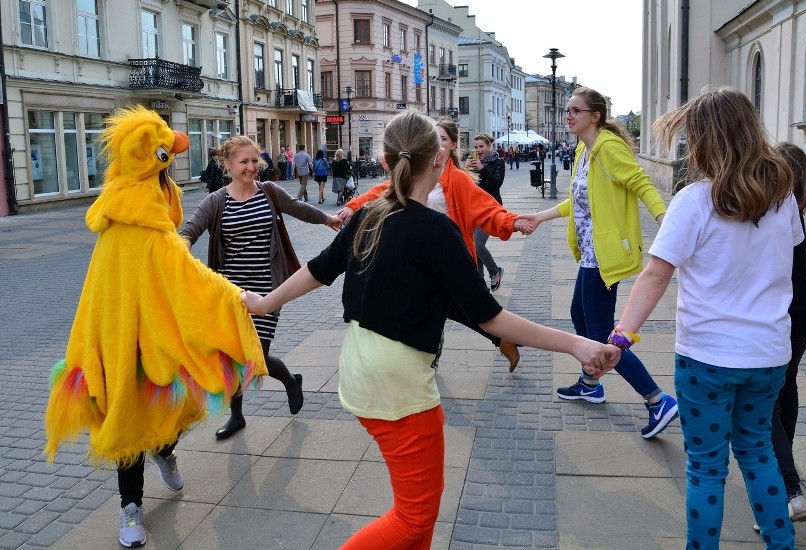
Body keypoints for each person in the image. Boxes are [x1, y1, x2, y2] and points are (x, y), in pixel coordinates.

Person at [242, 110, 619, 549]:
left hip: (361, 368)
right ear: (441, 162)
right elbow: (491, 317)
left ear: (384, 162)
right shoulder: (434, 229)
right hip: (397, 383)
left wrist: (266, 302)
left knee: (415, 520)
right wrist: (576, 344)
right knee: (413, 518)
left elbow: (318, 270)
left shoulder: (371, 214)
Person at [43, 106, 267, 548]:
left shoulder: (119, 215)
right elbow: (191, 276)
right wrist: (234, 297)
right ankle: (131, 509)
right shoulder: (145, 230)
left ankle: (163, 451)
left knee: (162, 410)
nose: (173, 183)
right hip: (124, 340)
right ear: (156, 171)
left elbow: (178, 274)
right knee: (129, 419)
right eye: (169, 168)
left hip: (154, 333)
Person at [603, 87, 801, 549]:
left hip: (707, 359)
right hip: (768, 354)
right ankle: (781, 544)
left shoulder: (694, 201)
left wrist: (621, 337)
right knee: (758, 454)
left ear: (705, 140)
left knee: (707, 468)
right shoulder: (783, 197)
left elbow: (655, 276)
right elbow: (784, 259)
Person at [519, 86, 677, 439]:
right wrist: (540, 217)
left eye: (576, 110)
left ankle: (657, 399)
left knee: (603, 338)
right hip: (590, 255)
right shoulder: (583, 150)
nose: (569, 115)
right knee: (579, 316)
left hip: (604, 255)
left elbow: (640, 182)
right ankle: (591, 384)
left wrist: (663, 217)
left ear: (595, 116)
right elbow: (577, 202)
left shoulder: (608, 148)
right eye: (568, 110)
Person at [180, 135, 342, 440]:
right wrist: (179, 248)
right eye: (244, 162)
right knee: (233, 355)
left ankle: (290, 381)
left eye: (255, 161)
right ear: (227, 165)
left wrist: (328, 219)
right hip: (231, 291)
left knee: (254, 356)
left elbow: (298, 208)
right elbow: (191, 229)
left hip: (268, 287)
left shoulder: (268, 191)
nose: (251, 167)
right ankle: (238, 417)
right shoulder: (217, 200)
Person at [338, 116, 531, 372]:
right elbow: (382, 192)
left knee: (460, 307)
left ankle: (494, 339)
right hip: (416, 256)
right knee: (442, 307)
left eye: (442, 139)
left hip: (448, 255)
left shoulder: (458, 180)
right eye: (433, 139)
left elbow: (487, 209)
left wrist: (512, 222)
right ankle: (492, 340)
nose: (437, 144)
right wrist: (353, 207)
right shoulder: (413, 174)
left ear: (451, 146)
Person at [758, 142, 806, 525]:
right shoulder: (795, 209)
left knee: (765, 406)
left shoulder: (775, 212)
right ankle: (786, 460)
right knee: (787, 388)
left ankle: (787, 487)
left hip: (778, 316)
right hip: (802, 315)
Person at [465, 133, 506, 291]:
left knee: (478, 246)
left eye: (481, 146)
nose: (478, 150)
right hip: (472, 209)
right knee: (473, 246)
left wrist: (481, 168)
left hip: (489, 209)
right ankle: (479, 282)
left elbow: (496, 183)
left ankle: (495, 272)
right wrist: (465, 169)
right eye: (475, 147)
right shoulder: (471, 162)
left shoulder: (498, 161)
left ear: (489, 146)